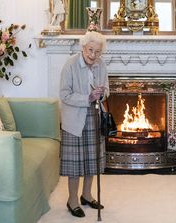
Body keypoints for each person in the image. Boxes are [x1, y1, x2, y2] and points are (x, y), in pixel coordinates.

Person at [59, 31, 109, 218]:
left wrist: (102, 93)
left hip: (95, 115)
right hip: (74, 119)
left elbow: (107, 89)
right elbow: (64, 94)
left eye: (97, 52)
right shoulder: (70, 64)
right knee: (75, 164)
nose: (93, 55)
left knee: (91, 160)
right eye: (90, 50)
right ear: (83, 48)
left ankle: (86, 195)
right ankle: (72, 200)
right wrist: (88, 97)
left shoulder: (101, 65)